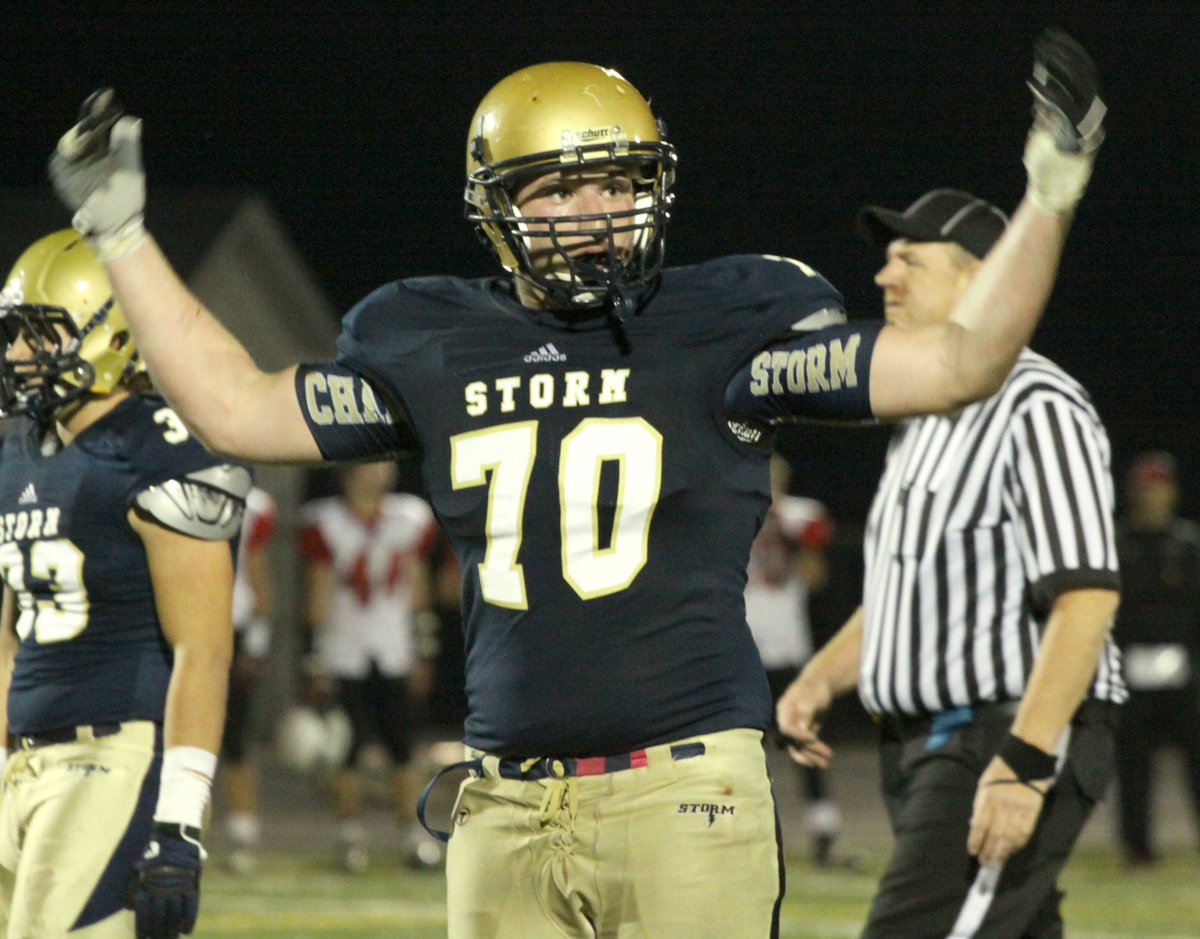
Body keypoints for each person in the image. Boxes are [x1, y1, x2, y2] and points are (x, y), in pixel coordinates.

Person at [46, 29, 1105, 938]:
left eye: (622, 182)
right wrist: (123, 236)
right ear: (499, 205)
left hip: (687, 792)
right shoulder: (432, 337)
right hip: (502, 804)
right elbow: (236, 408)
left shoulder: (723, 321)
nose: (600, 209)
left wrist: (1049, 190)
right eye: (563, 186)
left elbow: (960, 361)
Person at [776, 186, 1124, 939]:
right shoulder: (926, 412)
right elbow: (919, 590)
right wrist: (821, 678)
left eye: (910, 261)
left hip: (999, 738)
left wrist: (1027, 758)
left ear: (982, 277)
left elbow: (1087, 597)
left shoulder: (1040, 404)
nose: (884, 278)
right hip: (928, 748)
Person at [0, 231, 250, 938]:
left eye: (40, 334)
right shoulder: (19, 448)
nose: (19, 354)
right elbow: (13, 628)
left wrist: (179, 821)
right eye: (14, 335)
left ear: (108, 331)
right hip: (26, 763)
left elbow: (203, 651)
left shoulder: (160, 449)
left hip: (113, 758)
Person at [298, 461, 440, 872]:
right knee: (347, 751)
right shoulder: (325, 521)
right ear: (347, 472)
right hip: (343, 650)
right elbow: (318, 590)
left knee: (403, 749)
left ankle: (415, 838)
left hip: (393, 646)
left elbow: (416, 585)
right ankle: (350, 840)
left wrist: (424, 646)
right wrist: (314, 658)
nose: (376, 473)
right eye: (367, 465)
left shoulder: (409, 516)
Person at [745, 453, 843, 865]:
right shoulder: (732, 508)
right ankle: (747, 834)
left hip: (788, 647)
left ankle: (823, 831)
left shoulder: (800, 515)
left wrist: (794, 537)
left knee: (805, 740)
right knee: (745, 750)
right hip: (743, 645)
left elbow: (817, 577)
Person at [1112, 451, 1200, 868]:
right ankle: (1137, 848)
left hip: (1185, 674)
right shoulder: (1116, 545)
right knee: (1133, 766)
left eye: (1160, 488)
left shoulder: (1187, 545)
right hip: (1130, 674)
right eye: (1146, 488)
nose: (1153, 497)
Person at [216, 483, 278, 875]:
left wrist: (256, 642)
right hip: (178, 622)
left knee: (236, 738)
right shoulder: (162, 481)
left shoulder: (251, 503)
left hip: (231, 627)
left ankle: (241, 835)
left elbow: (258, 574)